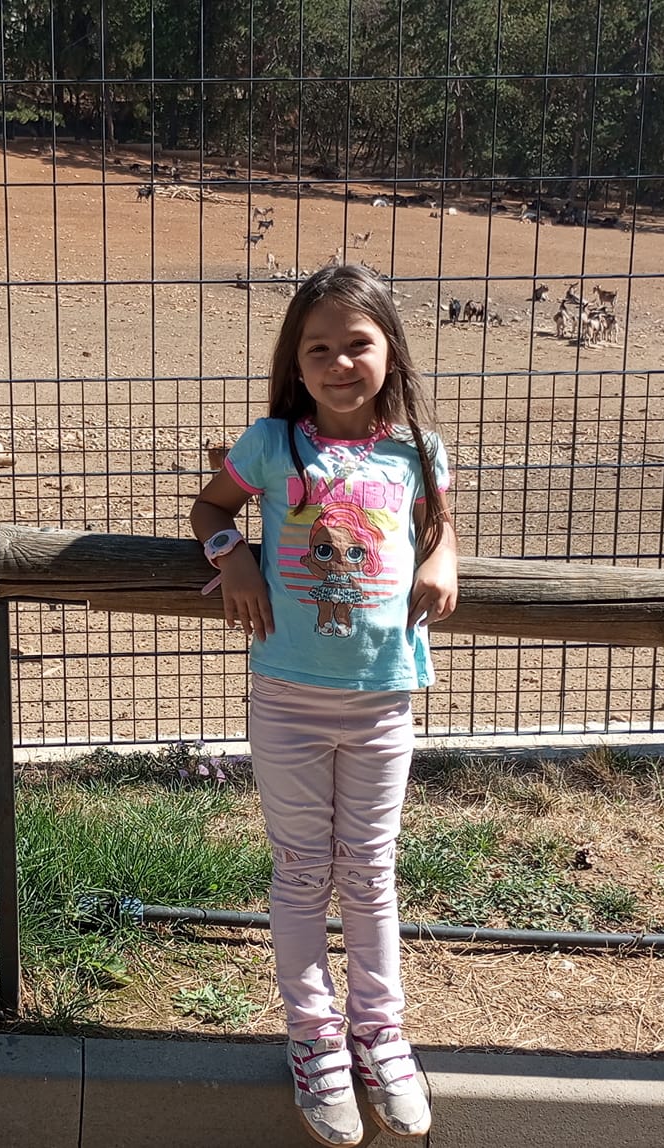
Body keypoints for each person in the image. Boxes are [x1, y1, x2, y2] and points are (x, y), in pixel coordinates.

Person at [189, 263, 458, 1145]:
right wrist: (231, 555)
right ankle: (314, 1037)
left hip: (383, 700)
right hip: (288, 698)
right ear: (296, 364)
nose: (340, 363)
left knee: (371, 870)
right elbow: (209, 509)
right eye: (319, 350)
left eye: (357, 344)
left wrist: (443, 555)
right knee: (303, 870)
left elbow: (437, 524)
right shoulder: (273, 444)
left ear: (390, 351)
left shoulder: (417, 451)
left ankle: (381, 1033)